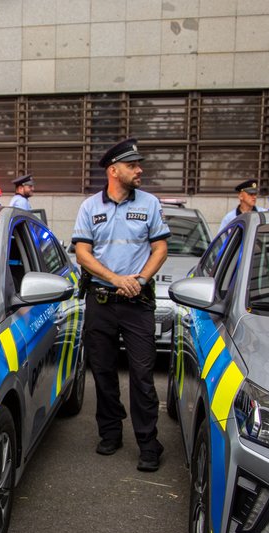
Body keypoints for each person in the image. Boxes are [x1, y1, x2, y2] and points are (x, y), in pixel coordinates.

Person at [71, 138, 170, 472]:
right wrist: (115, 278)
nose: (139, 170)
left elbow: (160, 249)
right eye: (132, 165)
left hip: (138, 301)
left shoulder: (151, 203)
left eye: (138, 165)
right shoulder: (89, 207)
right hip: (101, 300)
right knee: (102, 373)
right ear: (114, 170)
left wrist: (139, 280)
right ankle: (110, 433)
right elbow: (82, 253)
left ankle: (148, 443)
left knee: (142, 376)